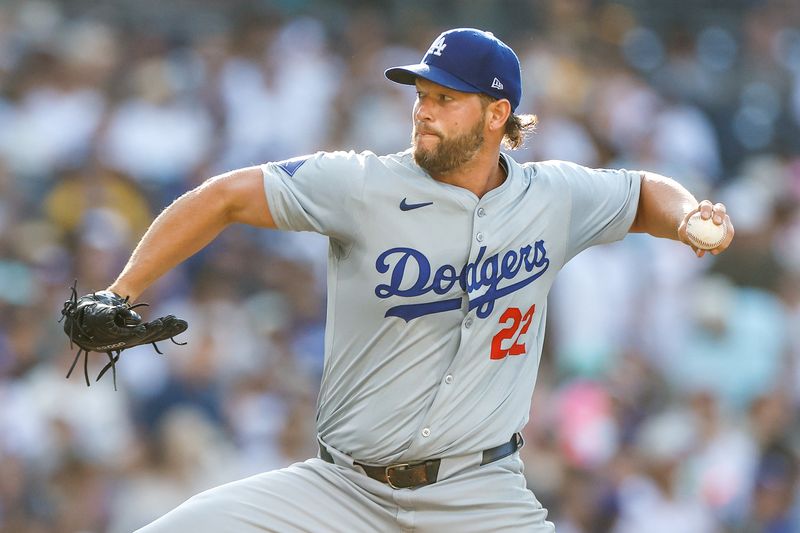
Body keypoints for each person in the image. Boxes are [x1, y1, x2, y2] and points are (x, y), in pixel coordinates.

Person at [92, 28, 734, 532]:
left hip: (479, 495)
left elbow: (643, 192)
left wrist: (688, 217)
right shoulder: (362, 184)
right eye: (422, 95)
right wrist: (120, 291)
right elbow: (225, 196)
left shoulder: (554, 196)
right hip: (341, 490)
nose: (424, 111)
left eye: (445, 99)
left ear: (495, 114)